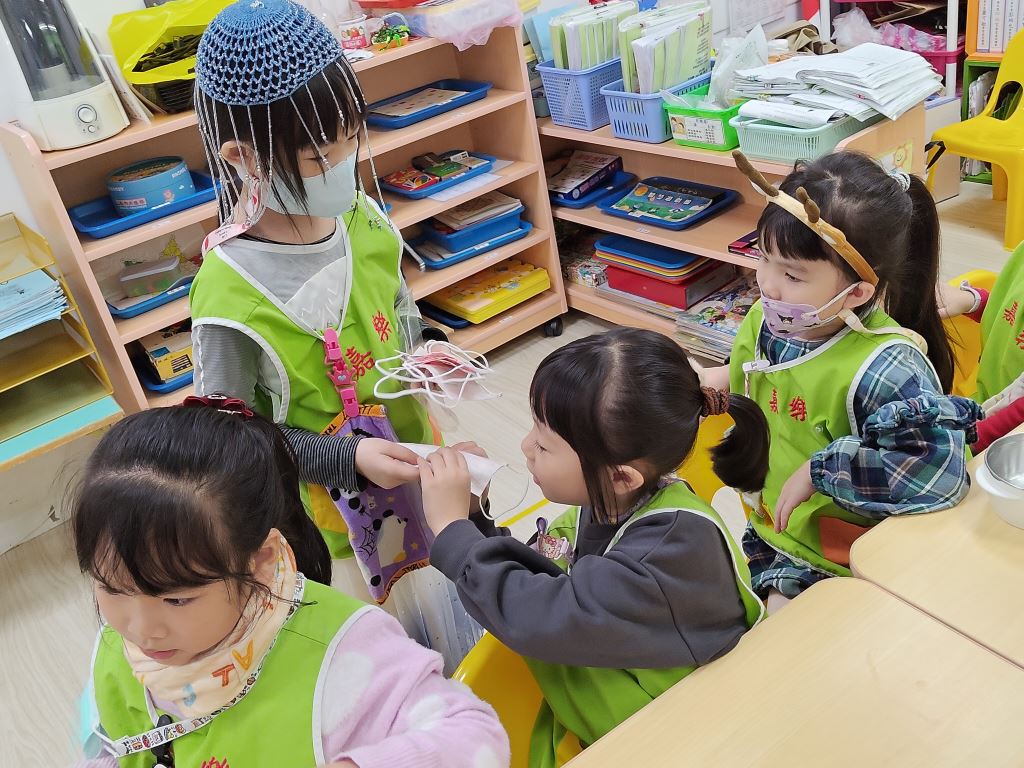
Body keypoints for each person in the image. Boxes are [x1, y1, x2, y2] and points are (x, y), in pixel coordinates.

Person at [72, 401, 509, 768]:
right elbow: (112, 744)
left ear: (261, 560)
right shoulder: (119, 645)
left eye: (177, 600)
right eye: (112, 587)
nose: (141, 629)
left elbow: (475, 735)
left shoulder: (344, 650)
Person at [416, 328, 767, 768]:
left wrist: (452, 531)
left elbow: (537, 616)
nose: (525, 447)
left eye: (544, 443)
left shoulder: (669, 553)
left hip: (670, 741)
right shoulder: (602, 506)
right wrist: (473, 518)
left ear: (620, 476)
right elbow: (534, 575)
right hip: (607, 714)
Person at [188, 0, 438, 560]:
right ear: (244, 157)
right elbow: (229, 441)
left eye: (353, 136)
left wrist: (429, 350)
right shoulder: (231, 295)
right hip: (334, 516)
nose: (347, 163)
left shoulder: (360, 215)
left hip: (416, 454)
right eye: (322, 155)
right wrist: (345, 458)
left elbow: (398, 308)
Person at [707, 151, 982, 601]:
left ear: (856, 293)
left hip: (847, 561)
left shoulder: (887, 369)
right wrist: (711, 380)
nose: (767, 284)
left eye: (792, 275)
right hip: (773, 528)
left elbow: (940, 478)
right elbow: (762, 373)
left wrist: (824, 470)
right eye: (763, 257)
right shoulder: (769, 319)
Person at [937, 241, 1024, 451]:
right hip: (983, 403)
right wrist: (975, 301)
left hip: (1005, 441)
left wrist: (970, 442)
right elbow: (1012, 313)